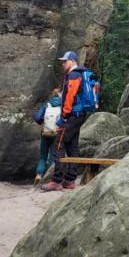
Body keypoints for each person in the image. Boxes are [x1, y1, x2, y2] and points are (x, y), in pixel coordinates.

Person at [41, 51, 98, 192]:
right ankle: (70, 180)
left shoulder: (73, 75)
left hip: (72, 115)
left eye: (65, 61)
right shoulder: (80, 74)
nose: (63, 64)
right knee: (72, 146)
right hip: (79, 115)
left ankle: (56, 181)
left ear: (72, 61)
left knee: (58, 146)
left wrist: (65, 115)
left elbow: (70, 96)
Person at [33, 87, 61, 184]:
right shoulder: (62, 106)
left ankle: (39, 174)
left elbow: (37, 118)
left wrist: (43, 123)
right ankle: (50, 177)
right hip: (55, 133)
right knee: (53, 156)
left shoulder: (46, 105)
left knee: (43, 156)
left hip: (45, 133)